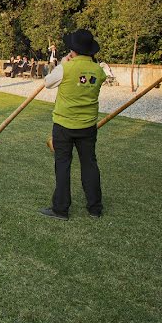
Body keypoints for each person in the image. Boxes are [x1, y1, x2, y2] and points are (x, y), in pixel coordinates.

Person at [39, 29, 106, 221]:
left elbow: (48, 83)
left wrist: (62, 64)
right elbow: (92, 77)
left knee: (63, 165)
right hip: (88, 125)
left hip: (64, 124)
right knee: (89, 165)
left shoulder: (65, 68)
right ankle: (95, 207)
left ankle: (60, 209)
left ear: (72, 50)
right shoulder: (98, 70)